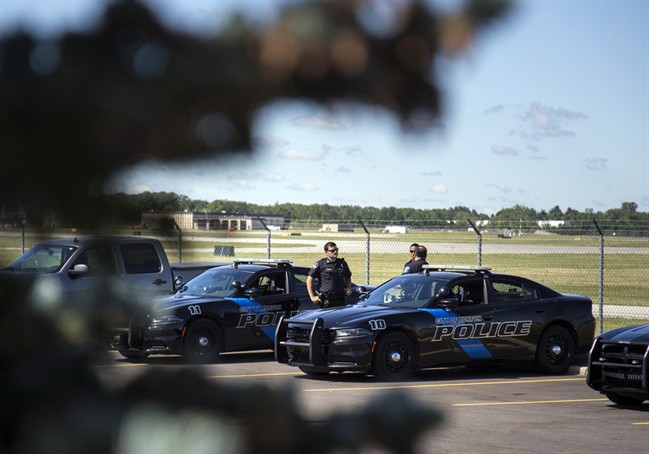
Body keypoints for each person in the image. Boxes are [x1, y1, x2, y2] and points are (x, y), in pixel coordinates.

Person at [307, 241, 352, 308]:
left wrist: (348, 287)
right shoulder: (321, 264)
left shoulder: (342, 264)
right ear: (326, 252)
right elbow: (309, 279)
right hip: (326, 300)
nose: (335, 252)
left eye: (336, 250)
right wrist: (312, 296)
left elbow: (348, 277)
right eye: (332, 250)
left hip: (340, 299)